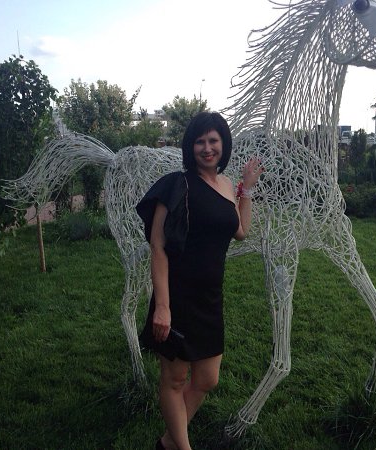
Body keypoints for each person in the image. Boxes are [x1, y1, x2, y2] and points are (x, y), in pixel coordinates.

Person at [135, 112, 263, 450]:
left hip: (210, 298)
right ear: (190, 147)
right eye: (200, 141)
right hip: (177, 296)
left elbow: (240, 231)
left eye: (213, 141)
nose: (207, 148)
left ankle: (168, 442)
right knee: (175, 379)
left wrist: (247, 189)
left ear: (223, 144)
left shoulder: (226, 185)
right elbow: (158, 247)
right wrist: (162, 306)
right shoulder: (176, 185)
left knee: (207, 379)